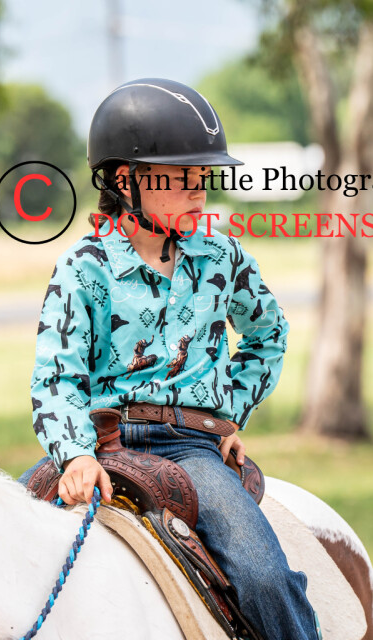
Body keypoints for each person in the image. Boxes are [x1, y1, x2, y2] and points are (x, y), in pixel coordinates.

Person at [20, 78, 322, 640]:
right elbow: (56, 377)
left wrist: (228, 413)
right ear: (124, 180)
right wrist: (74, 455)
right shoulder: (82, 268)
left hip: (190, 448)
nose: (198, 192)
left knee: (264, 578)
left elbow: (268, 334)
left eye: (202, 177)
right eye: (181, 178)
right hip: (97, 440)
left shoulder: (223, 258)